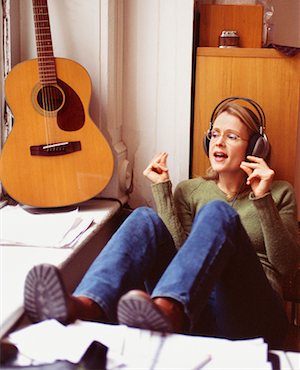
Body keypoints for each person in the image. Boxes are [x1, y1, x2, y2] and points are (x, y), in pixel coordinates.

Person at [24, 98, 299, 348]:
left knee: (218, 213)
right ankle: (86, 305)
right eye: (214, 134)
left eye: (231, 136)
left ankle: (169, 310)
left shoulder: (278, 192)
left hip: (254, 315)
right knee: (143, 217)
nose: (218, 142)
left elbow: (285, 264)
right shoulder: (191, 190)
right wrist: (162, 191)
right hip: (198, 310)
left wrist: (262, 199)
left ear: (255, 147)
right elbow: (183, 259)